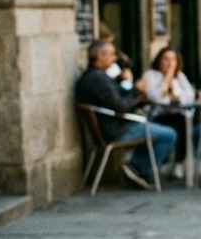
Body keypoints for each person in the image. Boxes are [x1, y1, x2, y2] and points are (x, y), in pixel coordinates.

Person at [75, 40, 177, 188]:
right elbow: (121, 106)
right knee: (169, 134)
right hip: (117, 128)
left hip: (116, 124)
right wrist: (136, 90)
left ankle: (137, 167)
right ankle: (139, 168)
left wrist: (121, 82)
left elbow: (115, 97)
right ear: (99, 55)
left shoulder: (97, 77)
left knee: (158, 128)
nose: (114, 58)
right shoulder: (97, 79)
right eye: (111, 54)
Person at [141, 47, 196, 176]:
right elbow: (155, 97)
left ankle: (178, 161)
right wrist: (167, 79)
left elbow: (190, 96)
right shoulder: (150, 75)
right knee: (178, 126)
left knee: (185, 125)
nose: (170, 63)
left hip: (178, 114)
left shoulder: (180, 76)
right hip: (157, 115)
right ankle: (165, 162)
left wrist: (178, 97)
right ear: (159, 60)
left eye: (173, 60)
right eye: (166, 59)